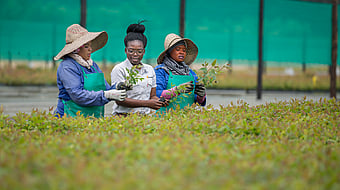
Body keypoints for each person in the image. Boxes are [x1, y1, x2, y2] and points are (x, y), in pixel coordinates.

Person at [54, 24, 126, 118]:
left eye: (90, 46)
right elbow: (77, 95)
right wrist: (107, 95)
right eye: (86, 46)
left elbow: (105, 89)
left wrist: (117, 87)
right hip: (70, 117)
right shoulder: (67, 67)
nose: (90, 49)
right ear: (76, 49)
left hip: (93, 117)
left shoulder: (92, 65)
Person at [110, 22, 167, 116]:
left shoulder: (149, 69)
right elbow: (119, 100)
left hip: (145, 117)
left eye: (139, 51)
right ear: (125, 50)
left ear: (144, 51)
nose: (135, 54)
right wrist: (147, 103)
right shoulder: (119, 69)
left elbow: (152, 96)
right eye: (131, 51)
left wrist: (160, 101)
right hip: (123, 117)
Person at [154, 33, 206, 113]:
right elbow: (156, 94)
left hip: (186, 117)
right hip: (165, 117)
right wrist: (177, 90)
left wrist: (201, 96)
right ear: (169, 52)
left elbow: (198, 101)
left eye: (184, 50)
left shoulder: (190, 73)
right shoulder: (161, 71)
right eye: (178, 49)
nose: (181, 52)